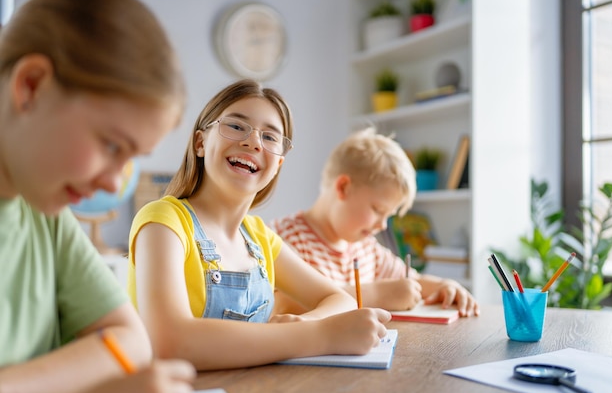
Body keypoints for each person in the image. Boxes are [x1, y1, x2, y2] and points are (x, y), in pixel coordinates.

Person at [0, 0, 199, 393]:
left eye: (131, 159)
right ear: (30, 86)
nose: (115, 180)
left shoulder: (42, 209)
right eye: (112, 144)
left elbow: (130, 339)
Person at [128, 79, 390, 371]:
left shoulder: (260, 237)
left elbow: (337, 299)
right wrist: (319, 334)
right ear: (201, 143)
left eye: (269, 137)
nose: (253, 141)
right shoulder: (163, 221)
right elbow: (170, 343)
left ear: (278, 164)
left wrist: (303, 323)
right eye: (237, 126)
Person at [271, 128, 480, 317]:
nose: (383, 226)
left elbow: (411, 284)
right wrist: (377, 293)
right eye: (378, 210)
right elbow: (282, 306)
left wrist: (444, 286)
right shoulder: (284, 239)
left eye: (389, 215)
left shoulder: (367, 248)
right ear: (343, 187)